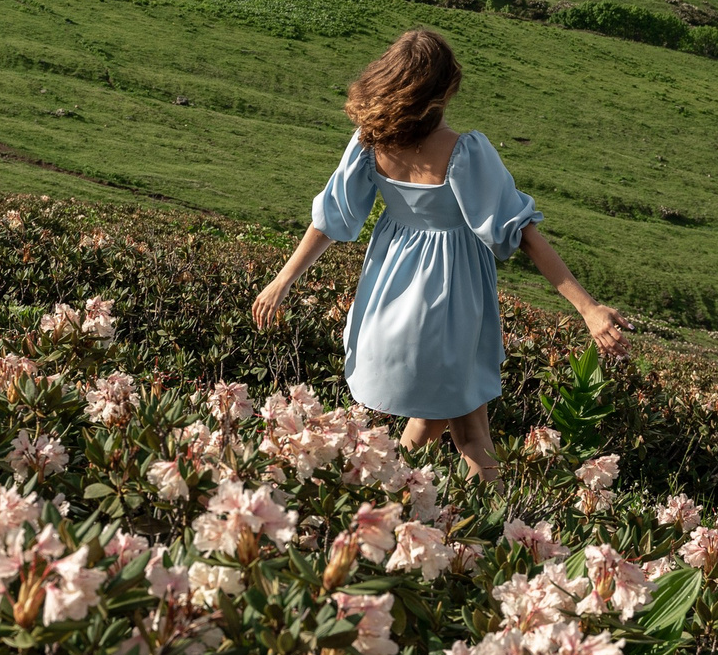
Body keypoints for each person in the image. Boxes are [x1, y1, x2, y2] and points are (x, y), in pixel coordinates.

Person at [249, 28, 625, 483]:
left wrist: (281, 280)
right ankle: (491, 538)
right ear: (443, 91)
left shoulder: (370, 142)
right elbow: (521, 235)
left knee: (432, 414)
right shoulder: (465, 153)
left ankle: (379, 493)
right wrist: (587, 308)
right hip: (451, 300)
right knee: (471, 433)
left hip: (391, 293)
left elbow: (331, 220)